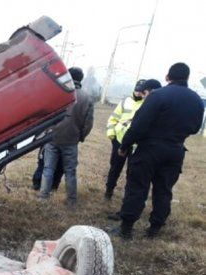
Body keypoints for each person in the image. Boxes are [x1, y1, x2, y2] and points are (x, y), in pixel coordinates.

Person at [110, 63, 205, 239]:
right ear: (187, 77)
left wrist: (124, 146)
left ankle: (126, 228)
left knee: (137, 187)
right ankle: (154, 229)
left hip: (149, 149)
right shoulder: (196, 100)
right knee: (164, 190)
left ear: (168, 77)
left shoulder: (158, 95)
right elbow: (195, 128)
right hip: (176, 150)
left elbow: (139, 125)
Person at [38, 67, 94, 205]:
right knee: (70, 171)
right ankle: (71, 201)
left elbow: (45, 114)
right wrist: (80, 137)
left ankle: (43, 196)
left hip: (52, 137)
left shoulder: (58, 93)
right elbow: (88, 124)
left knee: (48, 168)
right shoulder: (87, 98)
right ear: (81, 79)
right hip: (71, 140)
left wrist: (46, 132)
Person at [104, 79, 148, 200]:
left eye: (141, 91)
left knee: (132, 172)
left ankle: (128, 197)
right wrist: (112, 135)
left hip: (135, 144)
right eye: (137, 90)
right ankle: (108, 191)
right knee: (114, 168)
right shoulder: (125, 101)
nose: (138, 93)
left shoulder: (147, 104)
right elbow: (113, 118)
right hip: (119, 140)